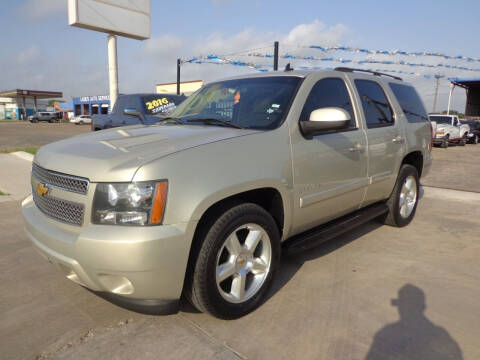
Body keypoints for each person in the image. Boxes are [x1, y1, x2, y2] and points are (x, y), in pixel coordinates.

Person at [365, 284, 463, 360]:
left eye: (410, 306)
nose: (405, 310)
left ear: (420, 308)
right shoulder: (387, 334)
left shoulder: (387, 334)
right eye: (404, 306)